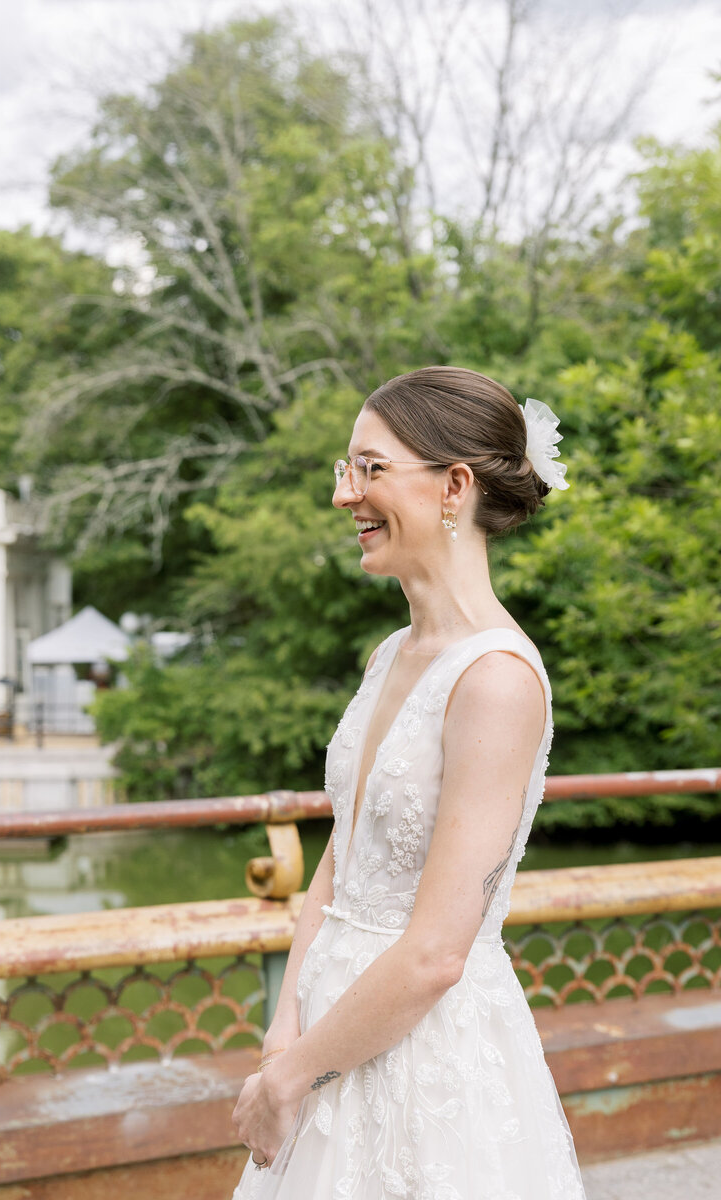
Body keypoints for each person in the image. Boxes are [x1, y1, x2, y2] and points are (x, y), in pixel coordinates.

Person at [231, 366, 586, 1199]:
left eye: (370, 468)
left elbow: (435, 953)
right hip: (323, 1035)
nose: (344, 495)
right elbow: (340, 859)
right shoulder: (389, 654)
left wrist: (288, 1083)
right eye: (343, 469)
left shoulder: (497, 680)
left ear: (454, 484)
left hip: (426, 1057)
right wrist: (287, 1028)